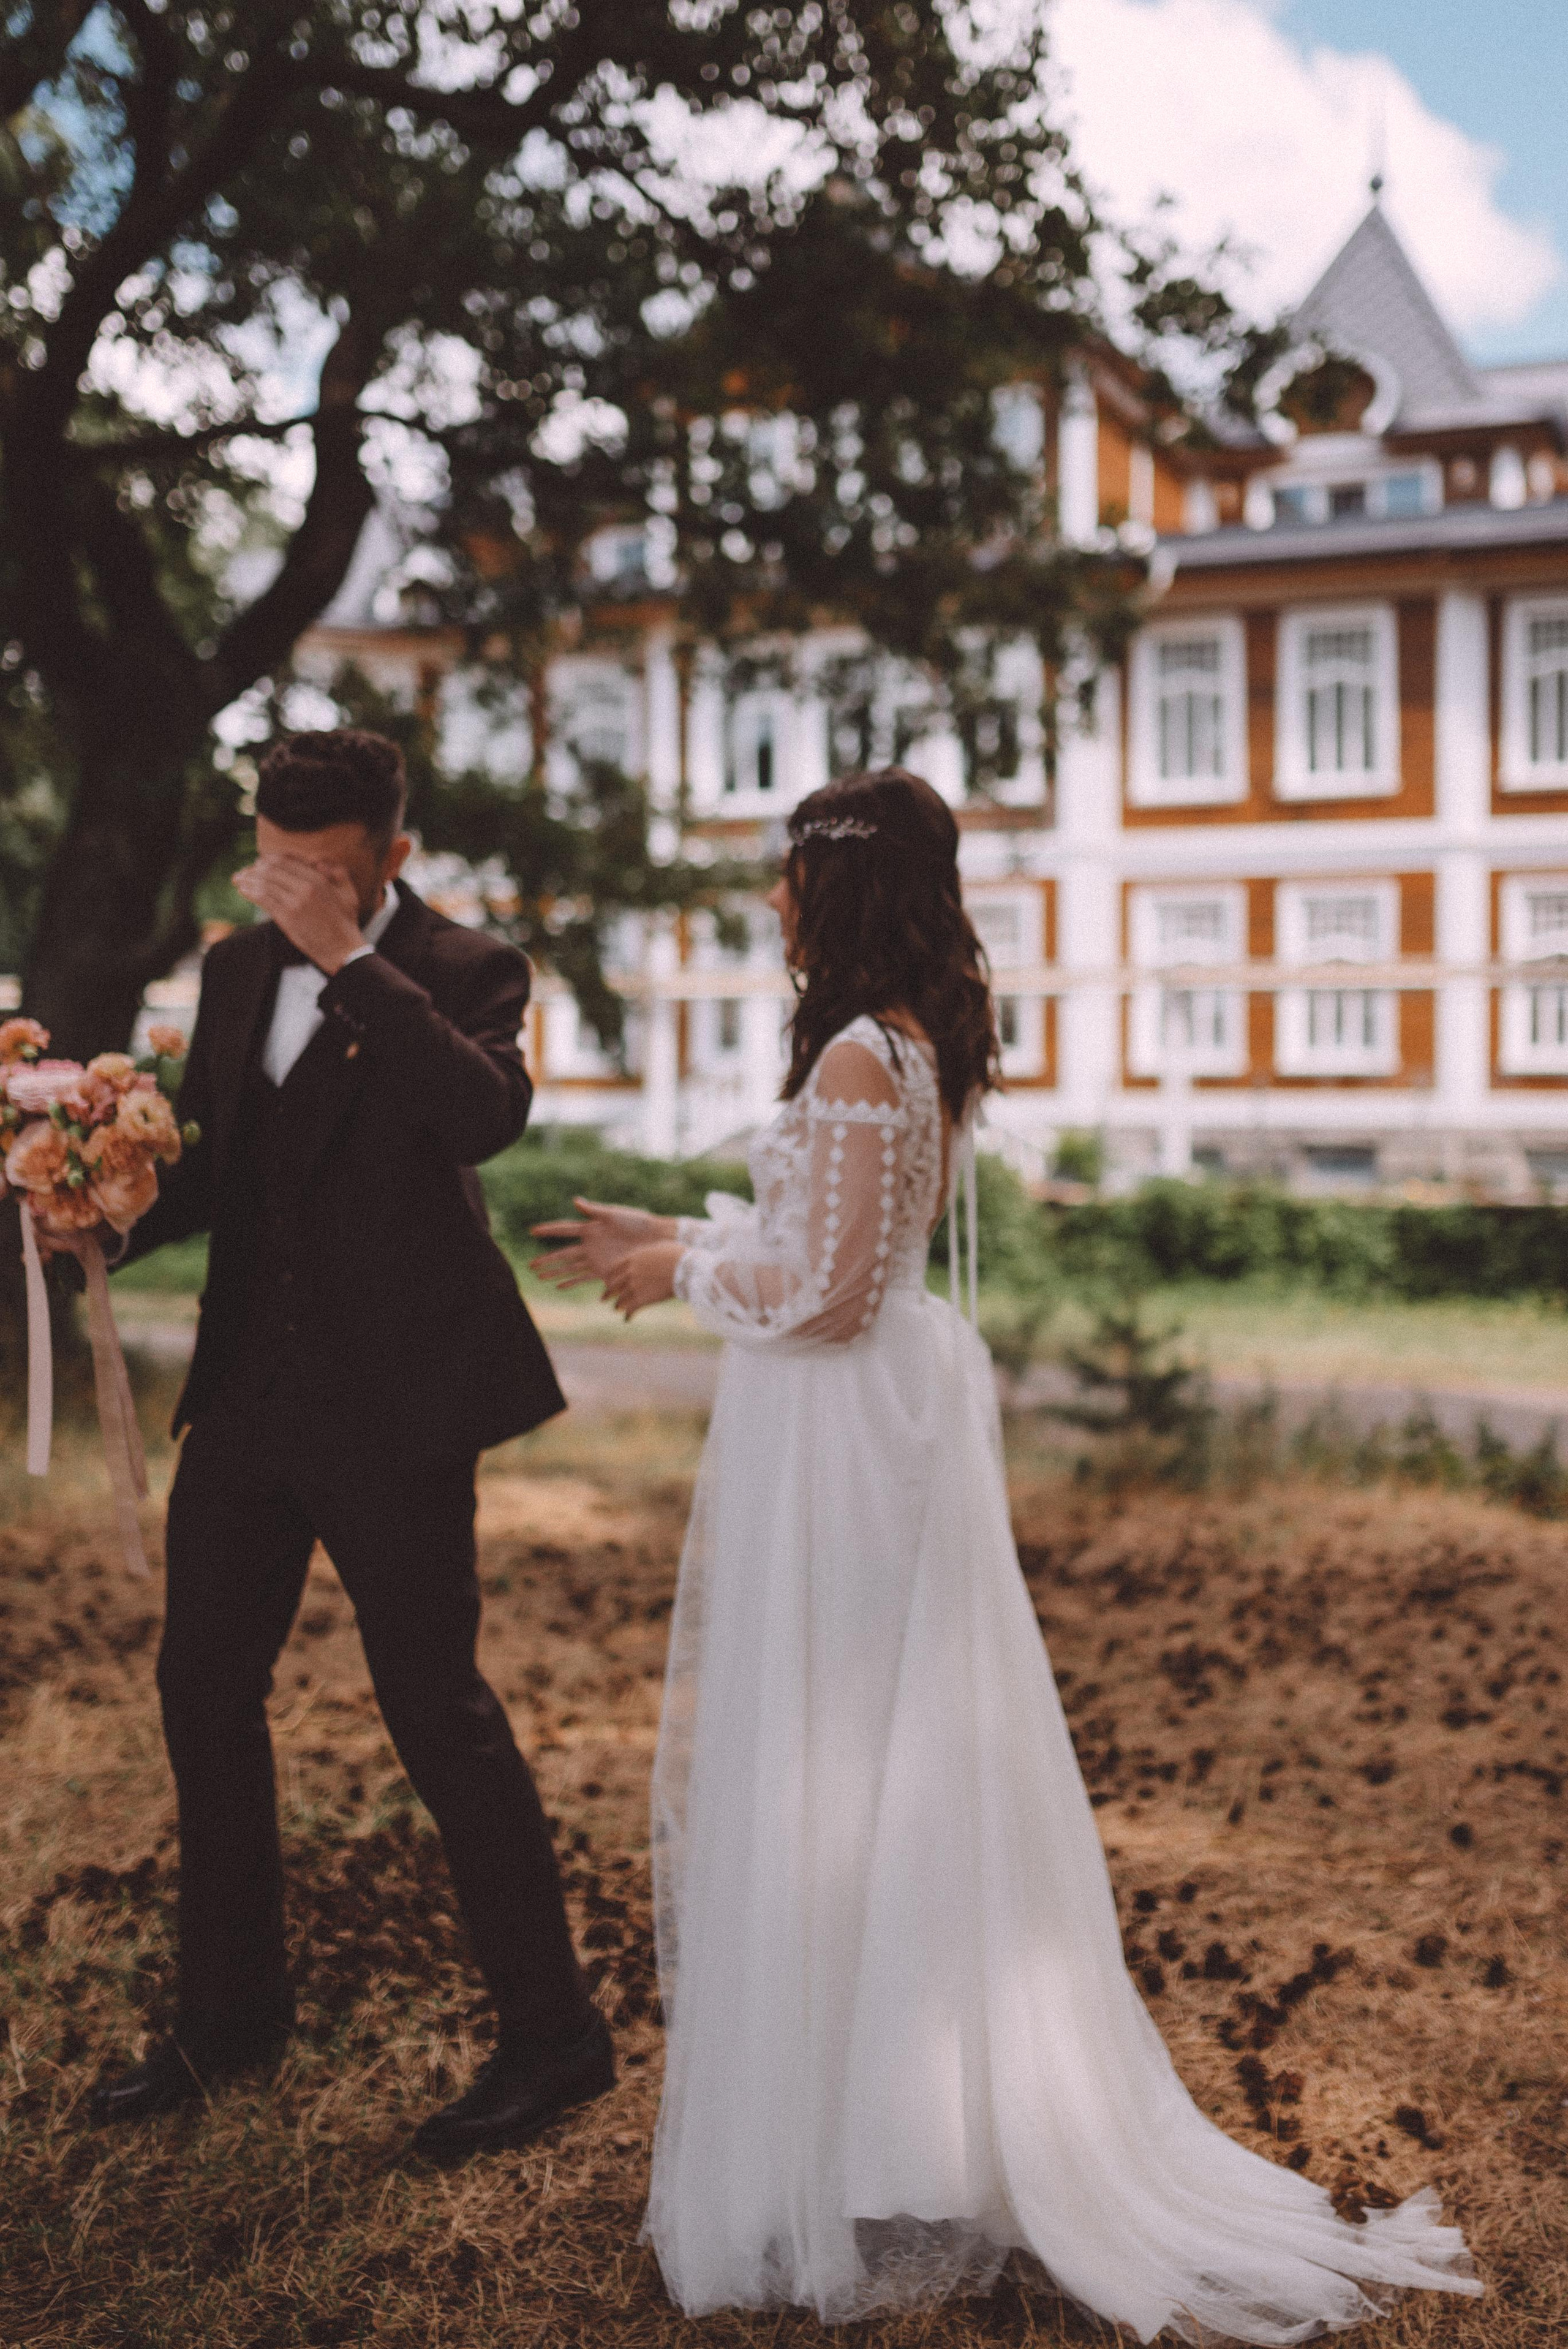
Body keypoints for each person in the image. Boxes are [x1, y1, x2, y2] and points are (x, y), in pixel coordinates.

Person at [531, 766, 1480, 2340]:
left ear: (834, 889)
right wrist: (680, 1235)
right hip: (869, 1419)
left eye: (786, 877)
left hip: (840, 1437)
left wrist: (677, 1278)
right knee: (874, 1754)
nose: (769, 903)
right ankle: (887, 2115)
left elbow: (828, 1297)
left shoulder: (859, 1051)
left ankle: (867, 2131)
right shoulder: (911, 1040)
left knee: (838, 1752)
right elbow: (834, 1253)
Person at [74, 727, 612, 2157]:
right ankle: (232, 2014)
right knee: (201, 1690)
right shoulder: (232, 970)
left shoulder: (465, 968)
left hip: (399, 1406)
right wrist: (98, 1216)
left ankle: (554, 2038)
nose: (289, 892)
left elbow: (484, 1117)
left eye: (319, 871)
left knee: (435, 1710)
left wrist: (350, 962)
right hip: (248, 1396)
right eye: (273, 863)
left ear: (393, 856)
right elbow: (216, 1168)